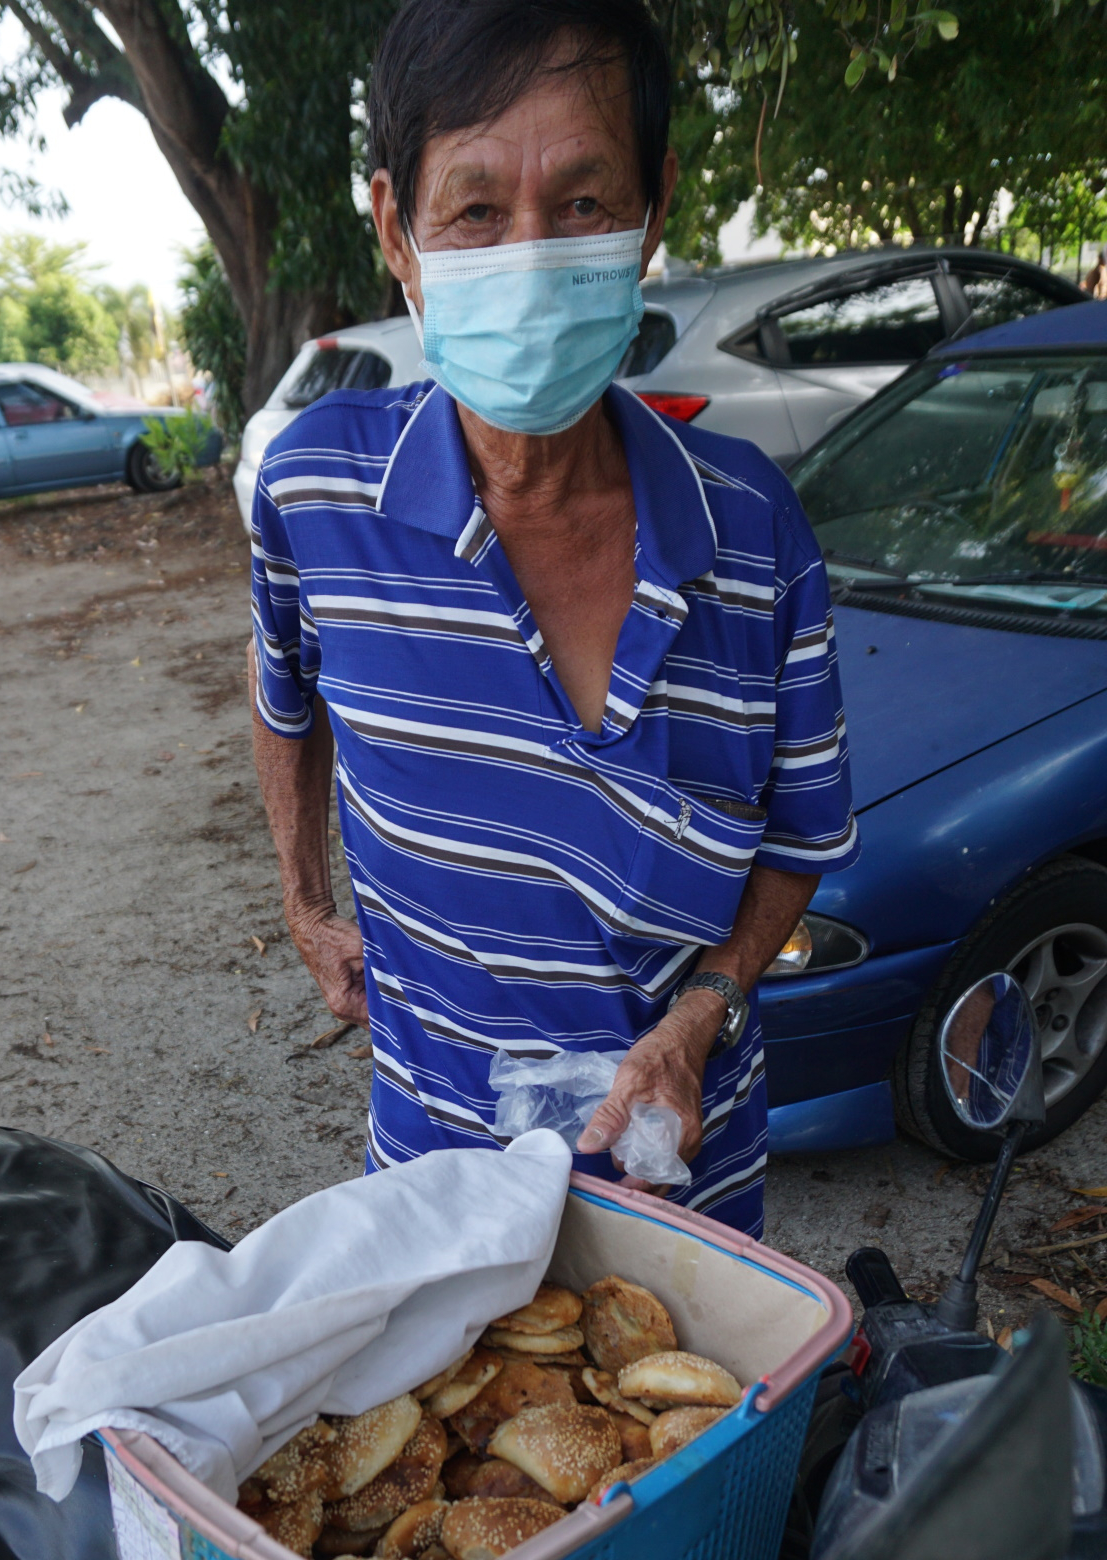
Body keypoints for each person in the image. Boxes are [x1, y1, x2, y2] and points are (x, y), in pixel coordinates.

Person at [248, 0, 858, 1238]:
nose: (528, 255)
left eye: (581, 204)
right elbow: (286, 693)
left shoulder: (754, 533)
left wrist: (704, 1015)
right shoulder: (317, 496)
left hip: (684, 1182)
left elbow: (800, 836)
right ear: (396, 234)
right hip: (433, 1190)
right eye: (476, 210)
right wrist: (306, 904)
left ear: (652, 212)